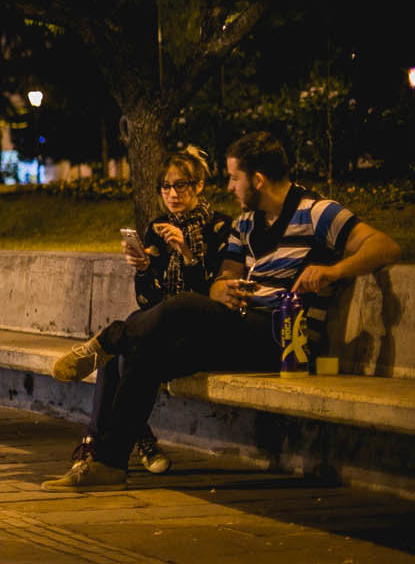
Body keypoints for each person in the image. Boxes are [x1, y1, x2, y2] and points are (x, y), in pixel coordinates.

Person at [44, 131, 403, 490]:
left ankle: (106, 340)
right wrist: (223, 289)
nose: (229, 187)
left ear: (257, 179)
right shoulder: (246, 223)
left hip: (286, 339)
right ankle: (108, 464)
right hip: (242, 327)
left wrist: (332, 271)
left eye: (234, 178)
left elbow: (384, 247)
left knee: (182, 306)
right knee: (144, 352)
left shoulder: (318, 212)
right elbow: (222, 278)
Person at [60, 148, 233, 476]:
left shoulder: (220, 228)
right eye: (165, 187)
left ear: (198, 187)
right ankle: (123, 439)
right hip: (157, 324)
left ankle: (109, 441)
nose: (172, 194)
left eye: (180, 185)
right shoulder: (157, 227)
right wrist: (143, 267)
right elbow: (147, 299)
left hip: (200, 327)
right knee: (120, 352)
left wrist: (185, 251)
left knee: (122, 351)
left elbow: (209, 294)